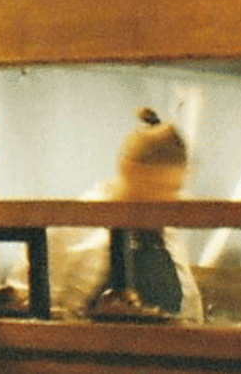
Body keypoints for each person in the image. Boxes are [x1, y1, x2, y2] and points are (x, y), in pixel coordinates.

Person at [47, 107, 203, 321]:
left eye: (175, 189)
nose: (168, 198)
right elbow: (26, 306)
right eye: (159, 186)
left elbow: (191, 313)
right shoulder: (74, 225)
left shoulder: (166, 234)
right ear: (128, 168)